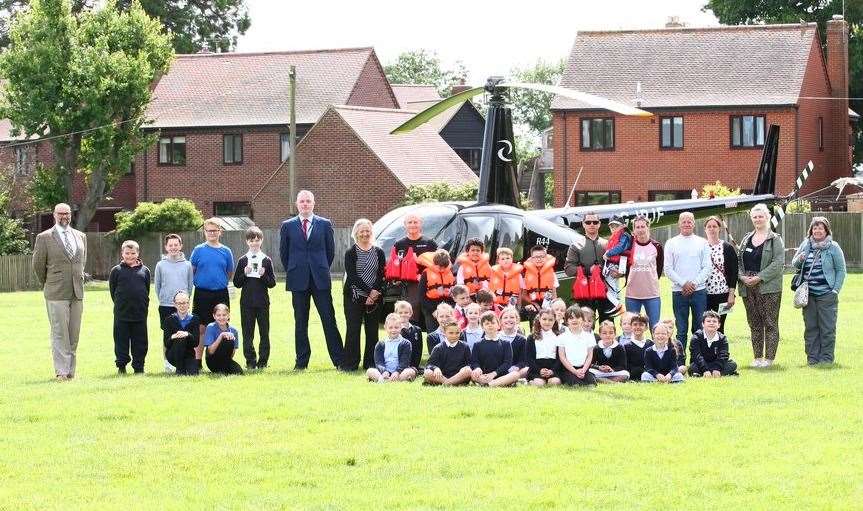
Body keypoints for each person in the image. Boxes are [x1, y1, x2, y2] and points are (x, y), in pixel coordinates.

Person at [279, 190, 343, 370]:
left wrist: (320, 267)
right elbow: (284, 254)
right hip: (298, 279)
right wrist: (295, 268)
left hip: (320, 279)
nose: (305, 204)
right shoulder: (288, 226)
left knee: (329, 319)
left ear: (313, 204)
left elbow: (330, 252)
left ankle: (339, 360)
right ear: (296, 204)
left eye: (308, 201)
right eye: (302, 201)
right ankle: (301, 362)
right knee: (300, 322)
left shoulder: (324, 224)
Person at [32, 203, 87, 380]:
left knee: (73, 334)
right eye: (60, 214)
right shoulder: (44, 237)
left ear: (71, 215)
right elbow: (38, 265)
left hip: (77, 292)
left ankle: (71, 371)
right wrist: (48, 282)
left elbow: (81, 262)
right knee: (59, 332)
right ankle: (61, 372)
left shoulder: (80, 236)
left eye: (67, 214)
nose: (64, 217)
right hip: (56, 292)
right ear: (54, 215)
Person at [791, 217, 846, 365]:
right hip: (809, 296)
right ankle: (813, 359)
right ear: (811, 231)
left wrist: (835, 290)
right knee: (811, 328)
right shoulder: (806, 244)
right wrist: (800, 258)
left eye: (820, 228)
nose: (817, 231)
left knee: (827, 328)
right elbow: (794, 263)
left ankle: (826, 359)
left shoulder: (833, 247)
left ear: (826, 230)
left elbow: (841, 271)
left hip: (827, 294)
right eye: (814, 228)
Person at [737, 203, 785, 368]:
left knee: (770, 323)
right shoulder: (746, 239)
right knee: (754, 323)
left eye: (761, 216)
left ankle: (769, 359)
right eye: (755, 217)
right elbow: (738, 261)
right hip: (747, 287)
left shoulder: (775, 239)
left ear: (768, 217)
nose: (758, 219)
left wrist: (759, 277)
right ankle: (757, 358)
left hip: (768, 287)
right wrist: (742, 277)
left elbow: (778, 263)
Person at [663, 211, 711, 354]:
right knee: (681, 329)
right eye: (683, 221)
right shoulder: (671, 243)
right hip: (679, 292)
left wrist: (694, 284)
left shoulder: (702, 242)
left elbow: (707, 267)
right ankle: (679, 360)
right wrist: (683, 283)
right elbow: (668, 268)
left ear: (694, 223)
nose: (686, 223)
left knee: (699, 328)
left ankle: (698, 359)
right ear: (679, 224)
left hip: (699, 291)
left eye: (689, 221)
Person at [342, 218, 386, 371]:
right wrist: (369, 293)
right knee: (353, 330)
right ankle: (350, 364)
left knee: (372, 331)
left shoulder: (379, 252)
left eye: (367, 231)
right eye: (362, 231)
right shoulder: (350, 252)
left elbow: (381, 275)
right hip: (354, 297)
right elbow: (353, 276)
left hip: (375, 297)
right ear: (356, 233)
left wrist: (374, 294)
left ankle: (371, 363)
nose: (365, 234)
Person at [191, 218, 234, 367]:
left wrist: (218, 282)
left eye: (215, 231)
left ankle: (221, 360)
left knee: (221, 325)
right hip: (202, 293)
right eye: (209, 230)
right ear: (205, 232)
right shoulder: (198, 250)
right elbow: (193, 270)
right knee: (201, 327)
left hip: (220, 293)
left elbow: (229, 272)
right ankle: (197, 361)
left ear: (220, 232)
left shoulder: (226, 251)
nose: (212, 233)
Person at [233, 226, 277, 370]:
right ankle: (250, 361)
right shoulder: (242, 260)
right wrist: (244, 273)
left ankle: (263, 361)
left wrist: (264, 274)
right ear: (247, 242)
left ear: (261, 240)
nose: (255, 243)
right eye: (252, 240)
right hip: (246, 303)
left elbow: (272, 283)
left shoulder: (266, 260)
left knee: (264, 332)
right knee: (248, 333)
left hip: (263, 303)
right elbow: (236, 283)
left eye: (257, 240)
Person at [108, 240, 151, 374]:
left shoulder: (145, 271)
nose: (130, 256)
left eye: (133, 253)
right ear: (122, 253)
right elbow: (113, 291)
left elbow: (146, 289)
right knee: (121, 341)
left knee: (140, 341)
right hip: (122, 313)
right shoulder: (116, 271)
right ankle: (121, 366)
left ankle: (139, 367)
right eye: (127, 253)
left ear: (138, 253)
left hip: (140, 313)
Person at [564, 211, 613, 322]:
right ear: (583, 224)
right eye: (588, 222)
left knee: (607, 323)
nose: (592, 224)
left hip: (605, 291)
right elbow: (568, 269)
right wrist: (587, 269)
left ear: (599, 224)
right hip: (584, 292)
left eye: (595, 222)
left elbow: (616, 264)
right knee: (585, 324)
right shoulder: (576, 245)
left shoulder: (608, 244)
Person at [391, 214, 438, 324]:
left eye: (415, 222)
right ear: (405, 225)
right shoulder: (399, 244)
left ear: (420, 224)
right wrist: (396, 278)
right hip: (409, 286)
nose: (413, 225)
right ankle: (410, 338)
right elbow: (395, 265)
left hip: (428, 284)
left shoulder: (429, 243)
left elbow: (438, 264)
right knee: (410, 315)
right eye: (410, 222)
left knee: (430, 315)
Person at [624, 215, 664, 329]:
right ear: (634, 230)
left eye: (643, 226)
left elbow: (659, 269)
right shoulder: (629, 246)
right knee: (632, 328)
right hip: (632, 295)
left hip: (652, 295)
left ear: (648, 227)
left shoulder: (656, 246)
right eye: (637, 227)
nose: (640, 229)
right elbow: (624, 267)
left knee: (655, 327)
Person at [703, 216, 738, 333]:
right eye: (709, 226)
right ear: (705, 229)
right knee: (705, 326)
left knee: (719, 326)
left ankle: (720, 351)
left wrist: (731, 294)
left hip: (723, 294)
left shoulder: (727, 248)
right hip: (703, 295)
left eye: (714, 226)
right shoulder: (700, 247)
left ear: (719, 229)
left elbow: (733, 273)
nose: (712, 229)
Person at [469, 312, 520, 386]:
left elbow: (507, 363)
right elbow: (474, 361)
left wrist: (493, 374)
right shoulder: (477, 344)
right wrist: (477, 368)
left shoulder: (506, 344)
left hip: (501, 375)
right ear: (482, 327)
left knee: (515, 374)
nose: (490, 325)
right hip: (484, 375)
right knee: (473, 374)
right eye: (487, 324)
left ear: (498, 325)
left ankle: (490, 384)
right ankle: (489, 383)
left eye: (493, 323)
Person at [154, 234, 193, 327]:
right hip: (165, 305)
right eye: (170, 245)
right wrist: (163, 299)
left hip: (182, 306)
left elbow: (190, 286)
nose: (173, 247)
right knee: (167, 336)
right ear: (166, 247)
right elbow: (157, 286)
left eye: (176, 245)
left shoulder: (187, 265)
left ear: (180, 246)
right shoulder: (160, 265)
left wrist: (184, 301)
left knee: (183, 333)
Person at [367, 313, 416, 382]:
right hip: (384, 372)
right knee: (370, 371)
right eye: (390, 327)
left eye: (396, 327)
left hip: (400, 372)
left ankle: (385, 381)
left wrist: (397, 372)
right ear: (385, 327)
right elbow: (378, 362)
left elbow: (404, 362)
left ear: (401, 327)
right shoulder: (380, 344)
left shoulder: (406, 343)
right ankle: (387, 379)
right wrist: (384, 371)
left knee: (410, 372)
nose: (393, 330)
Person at [689, 311, 738, 377]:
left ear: (719, 325)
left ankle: (711, 373)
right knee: (693, 367)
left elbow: (724, 355)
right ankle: (719, 373)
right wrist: (705, 370)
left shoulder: (722, 338)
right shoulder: (696, 337)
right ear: (703, 324)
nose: (711, 323)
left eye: (714, 321)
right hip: (701, 364)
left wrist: (717, 368)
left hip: (716, 363)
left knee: (732, 364)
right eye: (708, 321)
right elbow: (697, 355)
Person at [162, 291, 200, 375]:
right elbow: (166, 343)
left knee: (194, 373)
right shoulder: (169, 320)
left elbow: (196, 343)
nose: (182, 306)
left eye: (184, 303)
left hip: (188, 354)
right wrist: (173, 337)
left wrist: (188, 334)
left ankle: (184, 368)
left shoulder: (195, 319)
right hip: (173, 354)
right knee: (180, 338)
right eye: (179, 303)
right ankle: (179, 369)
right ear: (175, 304)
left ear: (188, 303)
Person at [423, 320, 473, 386]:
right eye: (451, 333)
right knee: (428, 373)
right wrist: (436, 368)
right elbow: (429, 364)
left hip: (459, 376)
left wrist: (466, 367)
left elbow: (470, 363)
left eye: (457, 333)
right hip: (442, 376)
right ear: (444, 333)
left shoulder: (465, 347)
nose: (454, 335)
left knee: (468, 370)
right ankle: (449, 383)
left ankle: (447, 383)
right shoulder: (438, 348)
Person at [557, 305, 597, 386]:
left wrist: (584, 370)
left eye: (577, 317)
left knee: (591, 383)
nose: (574, 320)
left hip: (583, 368)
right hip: (568, 369)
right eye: (571, 318)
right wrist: (574, 371)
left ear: (582, 319)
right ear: (567, 321)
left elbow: (589, 356)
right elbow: (562, 357)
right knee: (576, 384)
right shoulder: (562, 337)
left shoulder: (588, 336)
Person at [418, 249, 455, 332]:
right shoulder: (426, 273)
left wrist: (452, 307)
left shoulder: (450, 272)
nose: (442, 269)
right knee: (433, 333)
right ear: (434, 263)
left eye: (444, 267)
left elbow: (454, 293)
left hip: (447, 307)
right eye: (439, 267)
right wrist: (433, 310)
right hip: (430, 307)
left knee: (449, 332)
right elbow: (421, 296)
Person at [602, 215, 632, 316]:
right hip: (615, 265)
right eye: (611, 226)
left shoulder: (624, 235)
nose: (613, 228)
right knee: (613, 287)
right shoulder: (617, 236)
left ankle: (618, 305)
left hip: (615, 265)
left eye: (616, 226)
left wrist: (608, 253)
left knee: (605, 289)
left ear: (622, 226)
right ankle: (618, 306)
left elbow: (621, 248)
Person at [525, 308, 562, 386]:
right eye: (544, 319)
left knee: (555, 382)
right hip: (536, 368)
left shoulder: (558, 337)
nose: (547, 322)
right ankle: (530, 382)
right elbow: (529, 358)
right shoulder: (532, 337)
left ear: (555, 320)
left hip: (553, 368)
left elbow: (560, 358)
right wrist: (539, 370)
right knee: (539, 384)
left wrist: (552, 370)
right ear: (539, 319)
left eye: (550, 320)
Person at [203, 304, 243, 375]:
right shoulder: (210, 327)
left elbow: (232, 352)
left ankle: (223, 369)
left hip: (226, 359)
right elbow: (210, 351)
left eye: (224, 315)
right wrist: (221, 336)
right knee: (226, 338)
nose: (221, 317)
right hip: (212, 360)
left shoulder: (234, 331)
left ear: (228, 316)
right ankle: (220, 369)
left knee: (239, 372)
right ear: (214, 316)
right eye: (218, 315)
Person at [521, 245, 557, 320]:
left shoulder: (552, 274)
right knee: (526, 312)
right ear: (531, 258)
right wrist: (534, 304)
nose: (539, 259)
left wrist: (552, 306)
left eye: (542, 257)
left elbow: (554, 295)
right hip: (533, 303)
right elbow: (524, 295)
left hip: (548, 303)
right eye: (536, 257)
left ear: (546, 257)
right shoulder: (526, 275)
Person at [499, 307, 528, 378]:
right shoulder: (496, 337)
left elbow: (523, 360)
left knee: (527, 370)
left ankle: (507, 379)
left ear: (517, 320)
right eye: (505, 317)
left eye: (512, 317)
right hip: (497, 370)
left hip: (514, 370)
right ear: (500, 321)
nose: (509, 320)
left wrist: (516, 367)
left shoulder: (522, 339)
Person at [394, 300, 424, 370]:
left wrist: (415, 365)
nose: (403, 315)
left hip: (413, 364)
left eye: (406, 312)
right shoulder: (394, 330)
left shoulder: (417, 330)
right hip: (399, 365)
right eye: (400, 313)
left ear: (410, 313)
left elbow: (419, 350)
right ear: (396, 314)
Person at [624, 314, 653, 381]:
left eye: (641, 324)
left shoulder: (651, 344)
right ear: (631, 327)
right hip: (633, 374)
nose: (638, 327)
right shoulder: (626, 346)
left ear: (646, 327)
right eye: (635, 324)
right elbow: (626, 366)